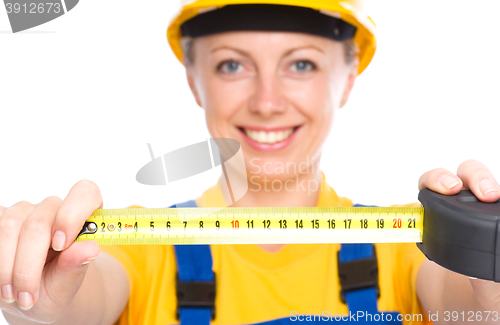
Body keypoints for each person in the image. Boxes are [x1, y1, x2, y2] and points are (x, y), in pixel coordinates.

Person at [1, 1, 500, 324]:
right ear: (194, 81)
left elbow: (475, 311)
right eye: (232, 64)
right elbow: (79, 303)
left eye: (301, 64)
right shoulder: (142, 248)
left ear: (347, 80)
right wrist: (38, 299)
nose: (266, 101)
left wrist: (487, 267)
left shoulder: (408, 249)